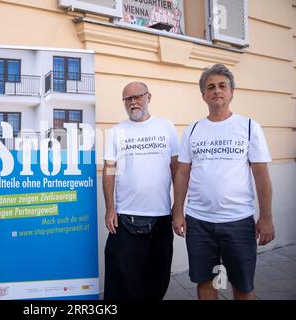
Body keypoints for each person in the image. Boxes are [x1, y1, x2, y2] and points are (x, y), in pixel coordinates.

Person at [172, 64, 275, 300]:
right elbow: (182, 174)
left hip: (238, 221)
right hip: (199, 222)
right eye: (211, 87)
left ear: (231, 92)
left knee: (243, 285)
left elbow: (261, 175)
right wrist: (178, 212)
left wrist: (267, 217)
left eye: (222, 86)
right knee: (205, 281)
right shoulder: (193, 130)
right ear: (203, 95)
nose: (216, 90)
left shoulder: (249, 127)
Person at [103, 81, 179, 299]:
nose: (133, 102)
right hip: (126, 218)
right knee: (123, 282)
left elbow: (177, 168)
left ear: (149, 97)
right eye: (128, 99)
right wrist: (110, 209)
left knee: (157, 279)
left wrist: (179, 207)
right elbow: (109, 170)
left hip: (161, 216)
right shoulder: (116, 131)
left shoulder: (166, 127)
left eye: (137, 97)